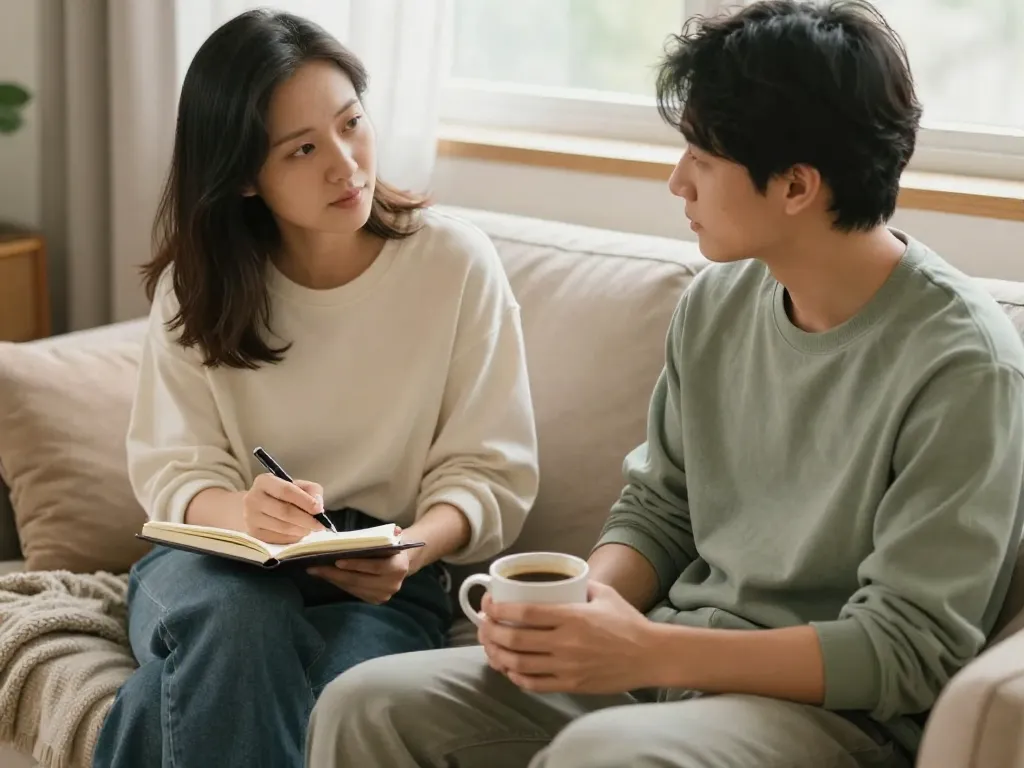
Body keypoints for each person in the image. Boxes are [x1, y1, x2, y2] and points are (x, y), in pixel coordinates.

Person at [305, 1, 1024, 767]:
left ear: (796, 186)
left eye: (702, 161)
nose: (676, 181)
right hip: (668, 668)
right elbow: (662, 507)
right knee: (368, 702)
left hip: (832, 718)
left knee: (603, 755)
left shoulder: (964, 367)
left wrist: (651, 651)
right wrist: (591, 607)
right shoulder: (718, 302)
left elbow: (904, 649)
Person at [91, 9, 539, 768]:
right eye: (302, 149)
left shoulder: (455, 266)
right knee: (236, 622)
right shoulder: (196, 289)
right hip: (213, 566)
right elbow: (175, 472)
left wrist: (409, 548)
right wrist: (244, 512)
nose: (346, 163)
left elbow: (490, 472)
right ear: (241, 176)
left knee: (330, 702)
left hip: (387, 582)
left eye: (351, 124)